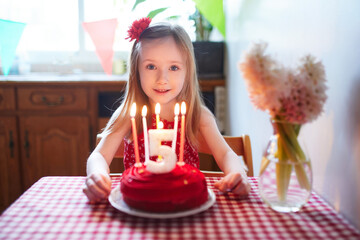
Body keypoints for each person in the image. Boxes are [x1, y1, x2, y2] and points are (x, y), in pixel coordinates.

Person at [83, 18, 251, 203]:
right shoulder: (128, 115)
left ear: (187, 72)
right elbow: (99, 155)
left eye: (173, 67)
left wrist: (238, 174)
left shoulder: (198, 115)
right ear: (136, 70)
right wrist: (97, 175)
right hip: (140, 205)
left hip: (185, 205)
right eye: (151, 66)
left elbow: (226, 154)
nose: (162, 78)